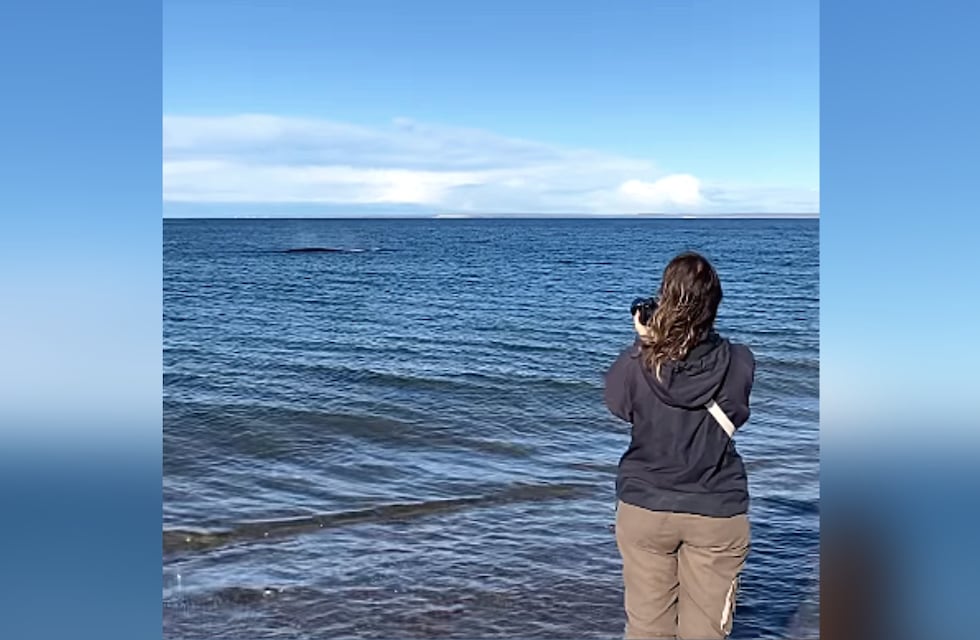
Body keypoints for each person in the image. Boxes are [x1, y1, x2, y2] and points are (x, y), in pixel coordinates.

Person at [604, 251, 756, 640]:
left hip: (645, 505)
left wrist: (645, 343)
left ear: (665, 300)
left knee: (646, 630)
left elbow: (619, 406)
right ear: (714, 304)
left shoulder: (639, 360)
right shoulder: (739, 361)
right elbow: (736, 411)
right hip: (715, 508)